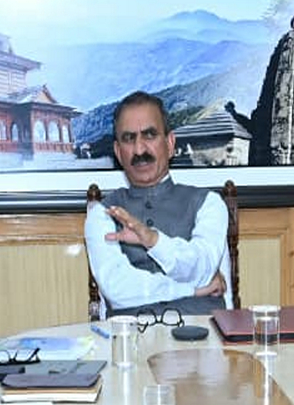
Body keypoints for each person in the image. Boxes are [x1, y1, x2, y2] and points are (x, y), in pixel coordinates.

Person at [84, 91, 230, 315]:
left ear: (170, 144)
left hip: (202, 340)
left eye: (149, 135)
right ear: (118, 152)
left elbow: (202, 267)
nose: (140, 150)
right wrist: (192, 290)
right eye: (129, 138)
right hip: (130, 344)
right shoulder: (101, 214)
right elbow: (118, 291)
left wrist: (153, 240)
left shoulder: (209, 204)